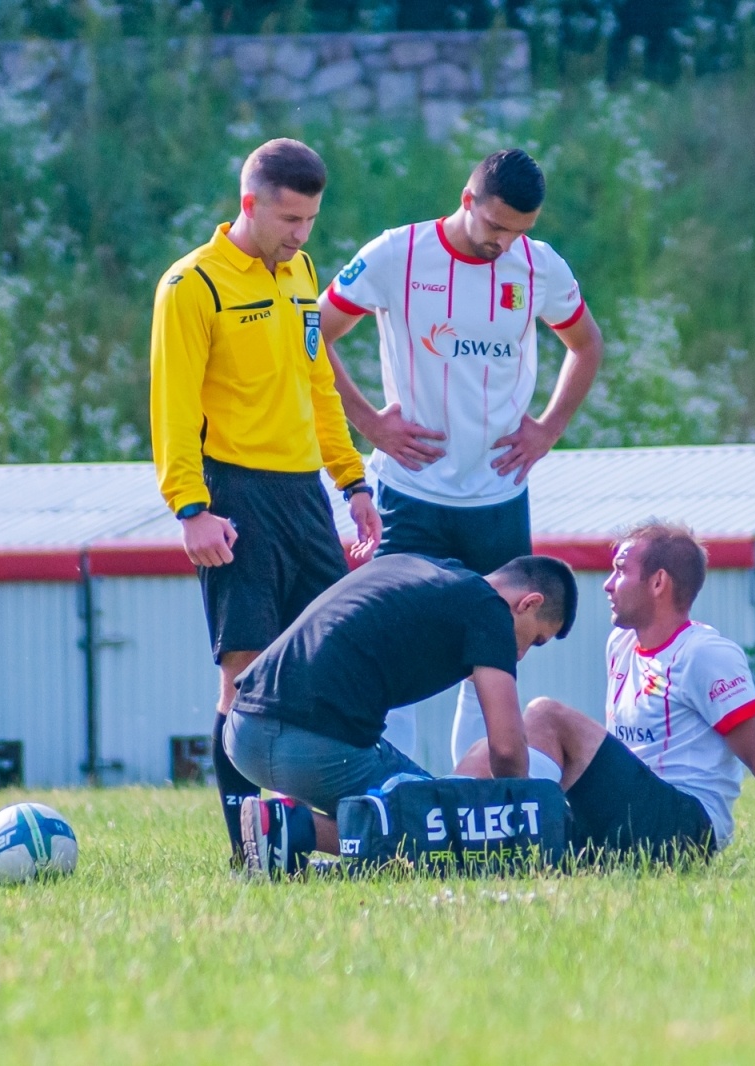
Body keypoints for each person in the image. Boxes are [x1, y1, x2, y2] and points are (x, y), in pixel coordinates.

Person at [318, 148, 605, 765]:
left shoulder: (538, 267)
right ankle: (392, 806)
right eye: (496, 226)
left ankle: (470, 803)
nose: (505, 243)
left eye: (520, 232)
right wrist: (368, 419)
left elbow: (586, 345)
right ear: (467, 200)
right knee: (392, 653)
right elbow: (312, 333)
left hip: (497, 499)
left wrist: (547, 430)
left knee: (491, 663)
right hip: (409, 495)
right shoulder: (398, 252)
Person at [149, 137, 383, 866]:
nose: (300, 235)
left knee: (332, 660)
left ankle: (340, 826)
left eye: (310, 219)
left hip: (304, 495)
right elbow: (174, 405)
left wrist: (352, 482)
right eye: (288, 219)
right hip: (233, 495)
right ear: (248, 204)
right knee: (245, 675)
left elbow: (317, 386)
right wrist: (190, 508)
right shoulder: (194, 286)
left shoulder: (303, 272)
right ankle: (251, 849)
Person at [457, 522, 755, 866]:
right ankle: (432, 826)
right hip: (630, 817)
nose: (607, 584)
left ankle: (491, 827)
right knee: (488, 751)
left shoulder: (704, 654)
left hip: (685, 827)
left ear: (658, 583)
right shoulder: (620, 644)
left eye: (621, 570)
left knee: (544, 715)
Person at [224, 552, 579, 878]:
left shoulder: (414, 566)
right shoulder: (490, 610)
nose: (520, 656)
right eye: (535, 640)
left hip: (241, 731)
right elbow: (505, 750)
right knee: (442, 822)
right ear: (529, 603)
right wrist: (517, 822)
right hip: (309, 744)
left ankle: (289, 843)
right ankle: (293, 827)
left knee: (412, 795)